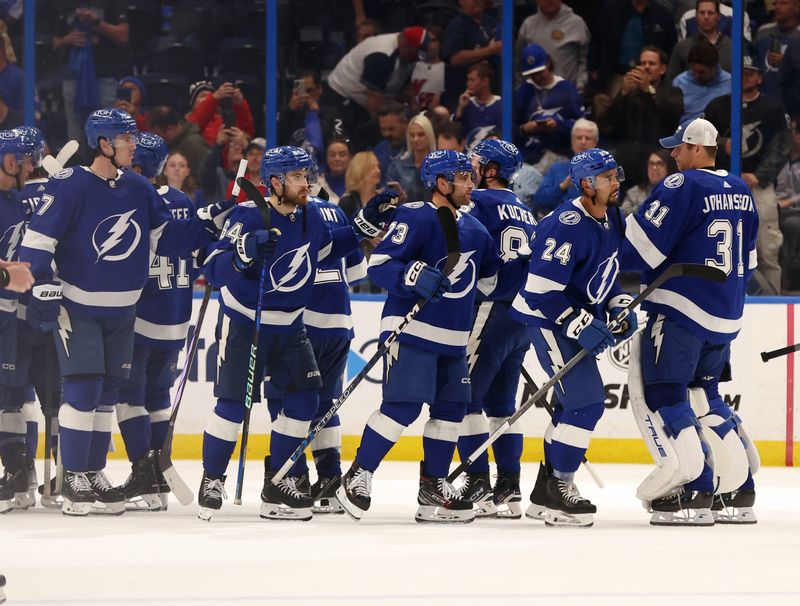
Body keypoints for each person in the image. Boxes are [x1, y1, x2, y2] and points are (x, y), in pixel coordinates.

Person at [18, 108, 230, 516]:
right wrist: (42, 284)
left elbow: (165, 238)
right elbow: (38, 239)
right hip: (78, 307)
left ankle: (92, 471)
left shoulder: (137, 186)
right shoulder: (70, 184)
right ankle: (74, 476)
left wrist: (208, 221)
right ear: (103, 143)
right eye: (126, 138)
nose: (134, 144)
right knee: (82, 389)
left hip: (124, 312)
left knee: (107, 394)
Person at [196, 146, 396, 521]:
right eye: (297, 177)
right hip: (248, 325)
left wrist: (365, 223)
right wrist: (242, 252)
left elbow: (333, 246)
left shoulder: (311, 216)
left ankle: (280, 482)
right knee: (232, 406)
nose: (307, 183)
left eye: (307, 175)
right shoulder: (248, 215)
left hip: (291, 327)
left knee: (305, 400)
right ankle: (212, 478)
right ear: (274, 181)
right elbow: (214, 268)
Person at [335, 149, 502, 523]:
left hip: (455, 338)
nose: (471, 183)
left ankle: (433, 488)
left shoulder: (476, 229)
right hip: (410, 329)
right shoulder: (414, 216)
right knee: (403, 406)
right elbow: (379, 265)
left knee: (451, 412)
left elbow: (491, 279)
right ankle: (358, 474)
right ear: (442, 183)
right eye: (463, 177)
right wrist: (411, 275)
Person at [620, 118, 760, 525]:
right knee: (706, 395)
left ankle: (694, 488)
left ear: (698, 148)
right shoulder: (739, 189)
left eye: (679, 148)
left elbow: (639, 249)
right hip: (725, 315)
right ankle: (738, 488)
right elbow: (747, 263)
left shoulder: (683, 185)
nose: (673, 156)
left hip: (681, 312)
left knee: (666, 395)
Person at [509, 148, 634, 527]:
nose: (617, 182)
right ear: (586, 184)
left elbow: (610, 273)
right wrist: (578, 323)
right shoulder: (563, 223)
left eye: (616, 174)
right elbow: (541, 291)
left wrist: (617, 305)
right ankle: (562, 489)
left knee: (571, 408)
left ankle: (544, 494)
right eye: (608, 177)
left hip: (571, 317)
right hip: (546, 320)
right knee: (587, 403)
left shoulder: (613, 217)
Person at [115, 133, 210, 511]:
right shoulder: (183, 200)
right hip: (175, 319)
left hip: (139, 317)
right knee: (157, 399)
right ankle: (156, 483)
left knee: (127, 399)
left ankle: (143, 474)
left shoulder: (133, 197)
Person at [265, 194, 367, 514]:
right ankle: (329, 478)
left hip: (301, 324)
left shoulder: (286, 215)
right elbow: (357, 274)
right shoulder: (335, 211)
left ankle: (290, 476)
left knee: (285, 400)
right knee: (326, 404)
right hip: (339, 323)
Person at [456, 139, 537, 519]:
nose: (468, 171)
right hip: (520, 317)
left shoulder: (477, 203)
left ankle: (477, 481)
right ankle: (509, 486)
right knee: (502, 405)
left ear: (490, 170)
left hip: (490, 309)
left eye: (474, 164)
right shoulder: (525, 210)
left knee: (464, 400)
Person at [705, 55, 791, 294]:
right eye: (741, 72)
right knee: (721, 248)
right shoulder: (718, 106)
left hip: (759, 186)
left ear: (760, 77)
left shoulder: (773, 107)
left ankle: (773, 302)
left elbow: (782, 145)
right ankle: (722, 299)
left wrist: (759, 175)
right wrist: (722, 145)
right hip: (722, 186)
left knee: (767, 249)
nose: (746, 77)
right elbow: (701, 141)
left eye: (751, 72)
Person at [0, 128, 35, 513]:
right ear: (10, 161)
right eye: (27, 160)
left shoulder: (16, 200)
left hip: (7, 313)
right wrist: (7, 276)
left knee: (7, 395)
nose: (32, 167)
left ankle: (14, 473)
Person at [602, 46, 684, 187]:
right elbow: (610, 121)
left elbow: (672, 116)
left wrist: (648, 91)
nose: (646, 67)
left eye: (651, 64)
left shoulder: (672, 92)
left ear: (662, 69)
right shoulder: (631, 93)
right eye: (642, 63)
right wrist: (623, 92)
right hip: (628, 155)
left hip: (657, 154)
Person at [49, 2, 131, 143]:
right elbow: (48, 41)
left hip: (104, 75)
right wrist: (65, 40)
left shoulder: (113, 4)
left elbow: (123, 35)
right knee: (75, 136)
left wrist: (96, 22)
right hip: (73, 76)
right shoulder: (63, 5)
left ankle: (107, 164)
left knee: (107, 133)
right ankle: (77, 164)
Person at [324, 26, 429, 132]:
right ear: (406, 44)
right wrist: (381, 130)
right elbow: (374, 99)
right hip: (341, 97)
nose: (416, 59)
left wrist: (415, 106)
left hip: (365, 101)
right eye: (415, 54)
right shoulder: (380, 55)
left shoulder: (407, 55)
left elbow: (406, 91)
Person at [514, 43, 585, 171]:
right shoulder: (524, 91)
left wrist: (558, 125)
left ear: (548, 63)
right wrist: (524, 129)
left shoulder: (566, 89)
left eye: (539, 71)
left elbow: (581, 126)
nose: (537, 77)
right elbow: (512, 128)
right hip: (529, 154)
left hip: (561, 153)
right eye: (532, 74)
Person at [515, 0, 590, 90]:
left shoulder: (576, 23)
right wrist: (521, 88)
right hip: (535, 96)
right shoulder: (528, 25)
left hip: (567, 93)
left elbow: (586, 58)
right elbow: (518, 61)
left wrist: (580, 84)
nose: (549, 1)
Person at [441, 0, 501, 109]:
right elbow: (455, 58)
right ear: (461, 2)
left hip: (492, 92)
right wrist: (488, 50)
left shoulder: (490, 22)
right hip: (465, 96)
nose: (477, 1)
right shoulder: (456, 26)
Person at [533, 118, 599, 217]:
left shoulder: (604, 171)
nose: (583, 142)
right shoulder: (557, 168)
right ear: (572, 142)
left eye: (588, 138)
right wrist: (562, 186)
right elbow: (539, 199)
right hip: (558, 225)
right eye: (579, 137)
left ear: (595, 143)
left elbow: (610, 202)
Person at [667, 1, 732, 81]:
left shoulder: (731, 47)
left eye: (710, 13)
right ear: (696, 16)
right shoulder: (682, 47)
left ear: (718, 16)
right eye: (702, 13)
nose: (706, 17)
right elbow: (671, 81)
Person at [672, 39, 731, 121]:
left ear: (714, 68)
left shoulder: (730, 83)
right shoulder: (679, 82)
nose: (696, 75)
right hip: (685, 131)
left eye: (701, 72)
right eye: (693, 71)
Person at [186, 80, 255, 149]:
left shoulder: (225, 120)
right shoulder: (187, 122)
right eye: (202, 96)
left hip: (236, 159)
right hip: (205, 158)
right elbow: (194, 126)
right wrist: (213, 98)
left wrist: (240, 105)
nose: (208, 98)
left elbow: (247, 134)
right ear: (193, 104)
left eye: (210, 95)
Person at [146, 105, 210, 179]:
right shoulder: (167, 145)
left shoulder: (194, 147)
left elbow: (204, 179)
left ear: (170, 129)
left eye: (157, 134)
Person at [386, 113, 436, 204]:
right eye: (412, 135)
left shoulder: (440, 165)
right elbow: (388, 201)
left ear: (429, 136)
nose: (415, 139)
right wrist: (398, 199)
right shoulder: (396, 167)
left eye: (420, 134)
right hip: (405, 215)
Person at [454, 62, 502, 151]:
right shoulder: (466, 103)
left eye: (472, 80)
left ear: (485, 81)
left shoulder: (501, 104)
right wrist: (460, 108)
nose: (468, 84)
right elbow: (455, 134)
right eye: (468, 80)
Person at [621, 148, 677, 216]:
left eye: (659, 164)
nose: (654, 168)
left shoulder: (676, 193)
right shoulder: (634, 192)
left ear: (669, 167)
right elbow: (623, 215)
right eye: (651, 164)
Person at [373, 101, 408, 188]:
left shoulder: (417, 148)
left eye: (391, 129)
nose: (386, 134)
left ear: (405, 123)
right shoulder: (379, 150)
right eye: (383, 130)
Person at [410, 25, 445, 111]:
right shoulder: (412, 66)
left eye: (433, 41)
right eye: (426, 41)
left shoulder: (447, 69)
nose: (429, 44)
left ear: (440, 43)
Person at [315, 136, 351, 203]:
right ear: (327, 158)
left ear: (350, 158)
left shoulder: (358, 186)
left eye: (342, 154)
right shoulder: (316, 186)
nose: (337, 158)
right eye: (332, 155)